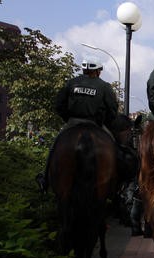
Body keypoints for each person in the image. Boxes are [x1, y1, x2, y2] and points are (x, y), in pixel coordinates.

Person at [36, 56, 119, 192]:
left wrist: (68, 119)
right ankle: (116, 184)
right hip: (95, 124)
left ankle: (45, 179)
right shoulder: (104, 86)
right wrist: (105, 122)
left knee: (55, 146)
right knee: (114, 146)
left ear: (84, 70)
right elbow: (112, 110)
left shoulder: (71, 83)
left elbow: (59, 104)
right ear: (97, 71)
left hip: (73, 122)